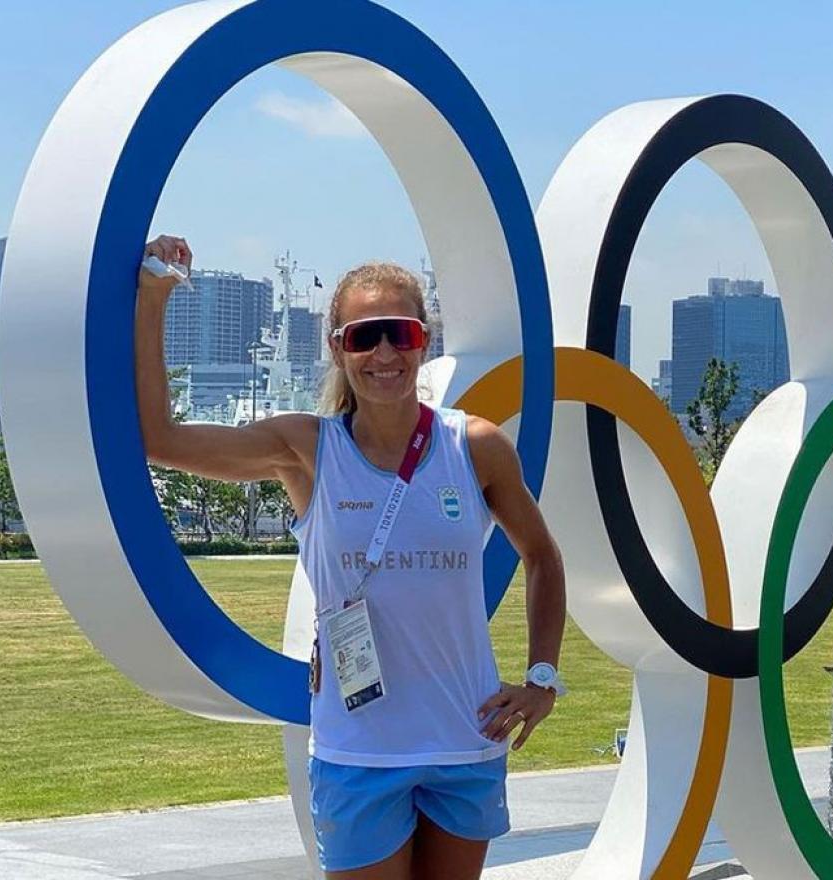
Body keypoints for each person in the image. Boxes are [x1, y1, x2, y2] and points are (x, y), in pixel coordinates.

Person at [135, 235, 566, 880]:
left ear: (425, 340)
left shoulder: (473, 445)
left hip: (465, 741)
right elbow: (160, 440)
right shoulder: (306, 449)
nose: (385, 353)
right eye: (365, 337)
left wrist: (542, 680)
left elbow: (542, 557)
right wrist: (152, 297)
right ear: (338, 346)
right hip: (359, 750)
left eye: (401, 333)